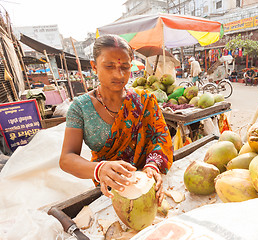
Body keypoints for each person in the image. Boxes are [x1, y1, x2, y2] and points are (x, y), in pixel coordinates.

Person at [60, 34, 173, 206]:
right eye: (109, 66)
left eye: (125, 67)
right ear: (94, 66)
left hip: (147, 183)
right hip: (110, 187)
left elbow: (161, 138)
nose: (118, 75)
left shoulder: (145, 101)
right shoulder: (80, 108)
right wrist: (100, 169)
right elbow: (67, 158)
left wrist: (152, 166)